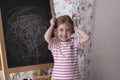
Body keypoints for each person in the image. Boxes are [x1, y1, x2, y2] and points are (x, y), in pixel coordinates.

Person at [44, 15, 89, 80]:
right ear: (56, 31)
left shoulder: (74, 42)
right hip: (57, 78)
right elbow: (46, 37)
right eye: (61, 30)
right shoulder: (55, 43)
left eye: (67, 30)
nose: (64, 33)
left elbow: (87, 37)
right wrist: (52, 25)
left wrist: (75, 27)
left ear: (72, 31)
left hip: (74, 77)